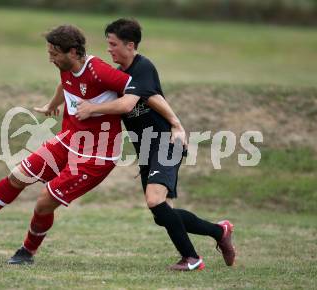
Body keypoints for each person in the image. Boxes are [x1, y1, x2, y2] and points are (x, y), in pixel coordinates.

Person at [0, 24, 134, 265]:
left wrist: (98, 109)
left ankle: (27, 252)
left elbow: (137, 92)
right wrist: (52, 104)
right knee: (17, 176)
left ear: (72, 52)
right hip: (69, 139)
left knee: (43, 203)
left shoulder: (100, 71)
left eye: (54, 54)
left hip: (96, 155)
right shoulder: (68, 67)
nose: (50, 59)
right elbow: (65, 84)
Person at [76, 18, 236, 271]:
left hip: (165, 143)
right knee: (163, 215)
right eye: (108, 44)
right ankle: (220, 231)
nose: (109, 49)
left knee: (155, 201)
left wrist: (93, 109)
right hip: (146, 149)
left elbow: (129, 104)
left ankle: (192, 259)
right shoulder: (118, 75)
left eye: (113, 44)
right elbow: (154, 97)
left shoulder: (142, 67)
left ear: (130, 45)